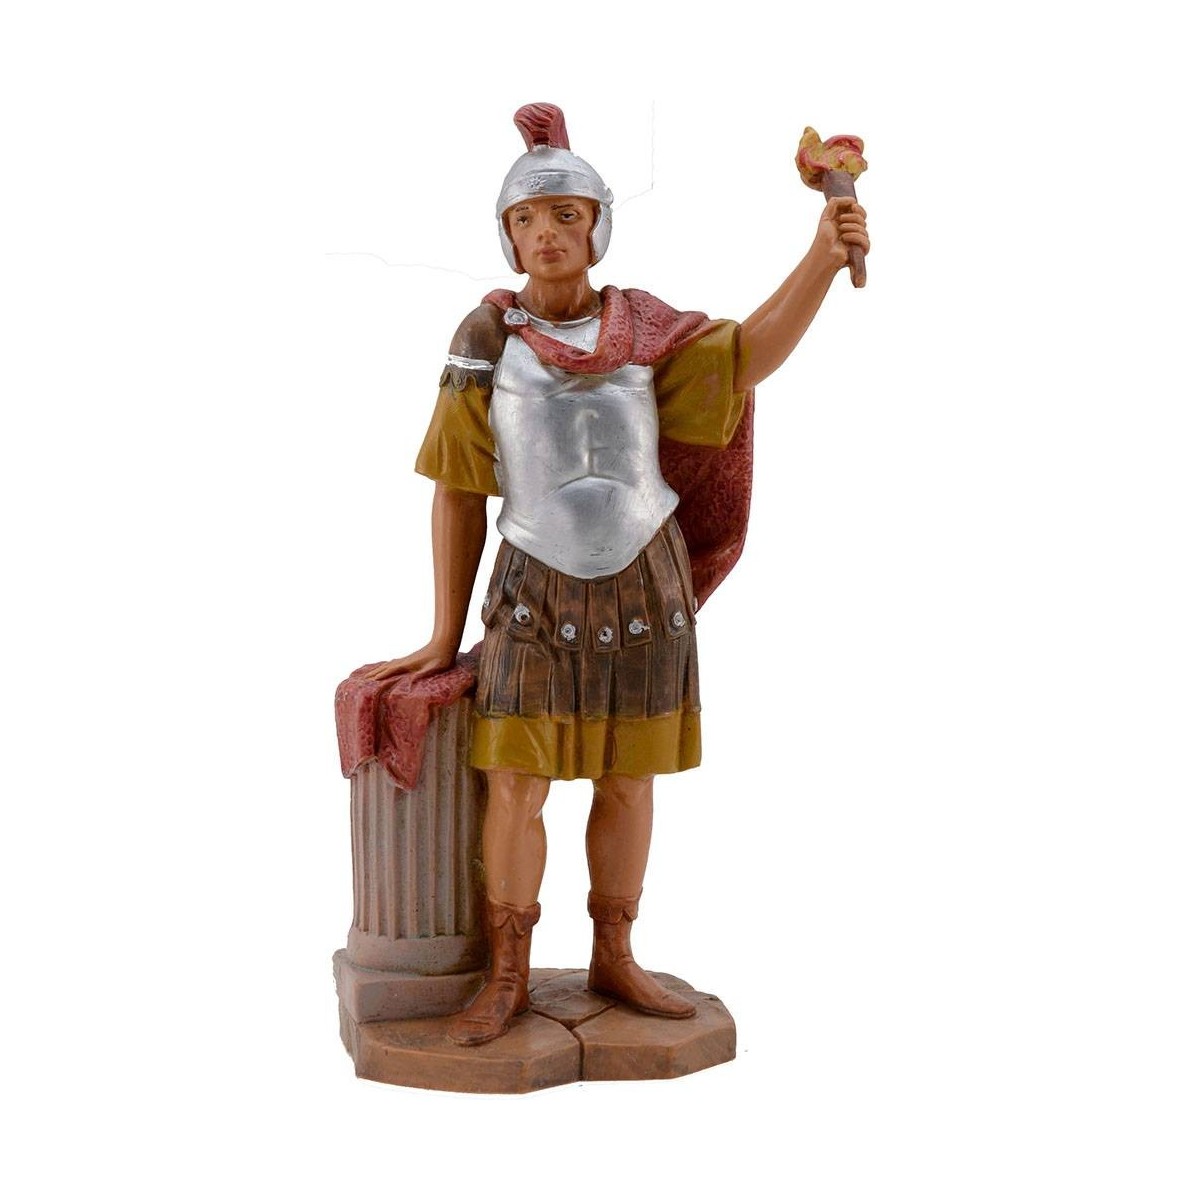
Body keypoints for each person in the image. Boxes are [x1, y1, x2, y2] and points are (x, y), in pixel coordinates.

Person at [365, 102, 869, 1046]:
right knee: (516, 783)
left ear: (597, 225)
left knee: (630, 782)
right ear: (507, 236)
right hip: (533, 595)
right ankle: (508, 972)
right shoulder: (486, 340)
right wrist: (442, 634)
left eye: (565, 215)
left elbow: (746, 358)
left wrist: (819, 258)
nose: (546, 233)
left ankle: (615, 954)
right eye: (526, 219)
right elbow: (458, 490)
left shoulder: (647, 332)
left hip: (646, 588)